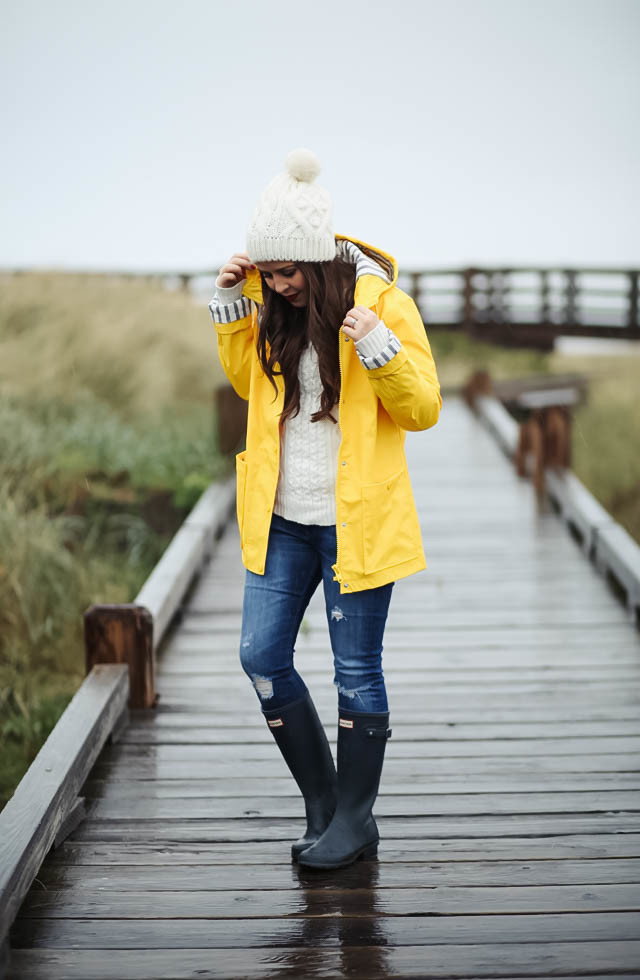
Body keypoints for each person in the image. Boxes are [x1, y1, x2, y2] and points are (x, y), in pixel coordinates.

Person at [208, 148, 441, 870]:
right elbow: (250, 387)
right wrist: (232, 311)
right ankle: (323, 800)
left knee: (357, 673)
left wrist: (378, 348)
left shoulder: (383, 307)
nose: (278, 284)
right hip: (281, 521)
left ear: (319, 258)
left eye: (288, 272)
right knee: (260, 655)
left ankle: (355, 820)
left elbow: (424, 408)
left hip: (355, 525)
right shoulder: (274, 308)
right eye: (268, 272)